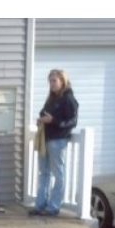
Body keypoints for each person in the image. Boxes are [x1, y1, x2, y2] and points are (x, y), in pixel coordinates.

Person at [30, 69, 79, 217]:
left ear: (62, 81)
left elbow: (72, 121)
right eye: (50, 81)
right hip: (46, 138)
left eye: (54, 81)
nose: (51, 84)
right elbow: (43, 112)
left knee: (58, 174)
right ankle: (40, 205)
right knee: (44, 173)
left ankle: (53, 207)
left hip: (58, 140)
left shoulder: (68, 99)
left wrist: (54, 120)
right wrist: (42, 119)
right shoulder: (51, 98)